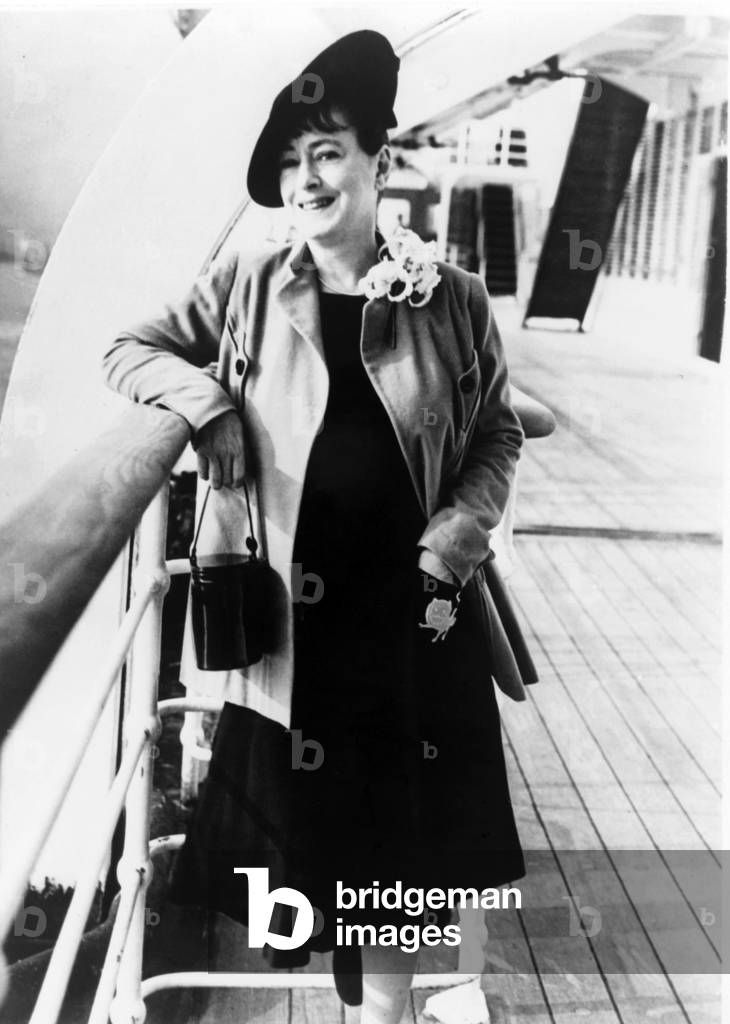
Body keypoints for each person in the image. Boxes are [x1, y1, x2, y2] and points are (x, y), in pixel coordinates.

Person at [102, 29, 536, 1024]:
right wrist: (205, 407)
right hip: (294, 631)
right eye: (293, 160)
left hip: (414, 618)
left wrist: (445, 555)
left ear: (378, 159)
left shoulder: (453, 298)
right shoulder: (248, 283)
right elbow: (130, 347)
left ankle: (384, 1013)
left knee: (395, 861)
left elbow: (496, 436)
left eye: (328, 151)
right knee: (312, 865)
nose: (307, 178)